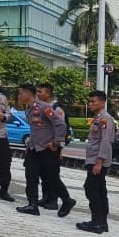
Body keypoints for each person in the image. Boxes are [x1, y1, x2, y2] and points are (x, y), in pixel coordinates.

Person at [15, 83, 75, 218]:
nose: (19, 96)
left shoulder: (44, 107)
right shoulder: (28, 110)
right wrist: (29, 144)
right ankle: (32, 205)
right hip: (34, 148)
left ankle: (67, 200)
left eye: (20, 93)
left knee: (51, 177)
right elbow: (35, 129)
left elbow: (61, 125)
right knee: (31, 176)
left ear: (28, 94)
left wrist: (56, 142)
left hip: (47, 149)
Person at [77, 90, 117, 234]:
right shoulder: (98, 118)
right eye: (90, 101)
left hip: (97, 161)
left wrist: (99, 162)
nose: (91, 104)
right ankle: (101, 222)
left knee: (92, 189)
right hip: (94, 159)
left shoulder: (106, 119)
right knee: (99, 191)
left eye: (94, 101)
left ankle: (97, 222)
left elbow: (106, 142)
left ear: (102, 102)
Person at [38, 81, 69, 208]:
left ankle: (53, 200)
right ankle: (46, 197)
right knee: (44, 174)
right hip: (42, 146)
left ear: (48, 94)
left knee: (52, 175)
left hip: (53, 146)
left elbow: (61, 127)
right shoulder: (39, 106)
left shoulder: (56, 108)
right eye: (37, 91)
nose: (38, 94)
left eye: (41, 92)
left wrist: (58, 145)